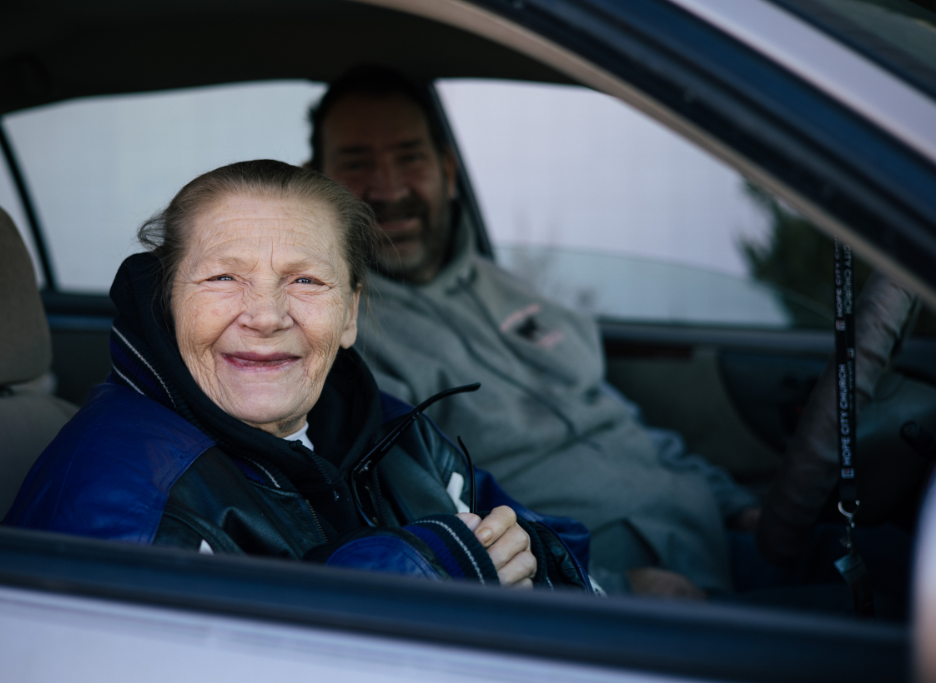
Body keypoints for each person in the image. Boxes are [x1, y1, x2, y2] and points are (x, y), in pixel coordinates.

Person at [3, 160, 592, 592]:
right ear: (168, 305)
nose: (265, 316)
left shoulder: (383, 425)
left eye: (305, 280)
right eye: (222, 279)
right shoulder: (136, 505)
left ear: (350, 314)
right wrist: (422, 576)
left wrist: (527, 558)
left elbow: (539, 540)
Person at [309, 65, 762, 597]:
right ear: (318, 187)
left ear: (448, 172)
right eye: (357, 163)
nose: (387, 187)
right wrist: (605, 586)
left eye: (410, 156)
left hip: (710, 534)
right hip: (618, 585)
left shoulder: (513, 287)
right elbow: (424, 519)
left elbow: (613, 414)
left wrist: (742, 509)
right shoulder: (342, 335)